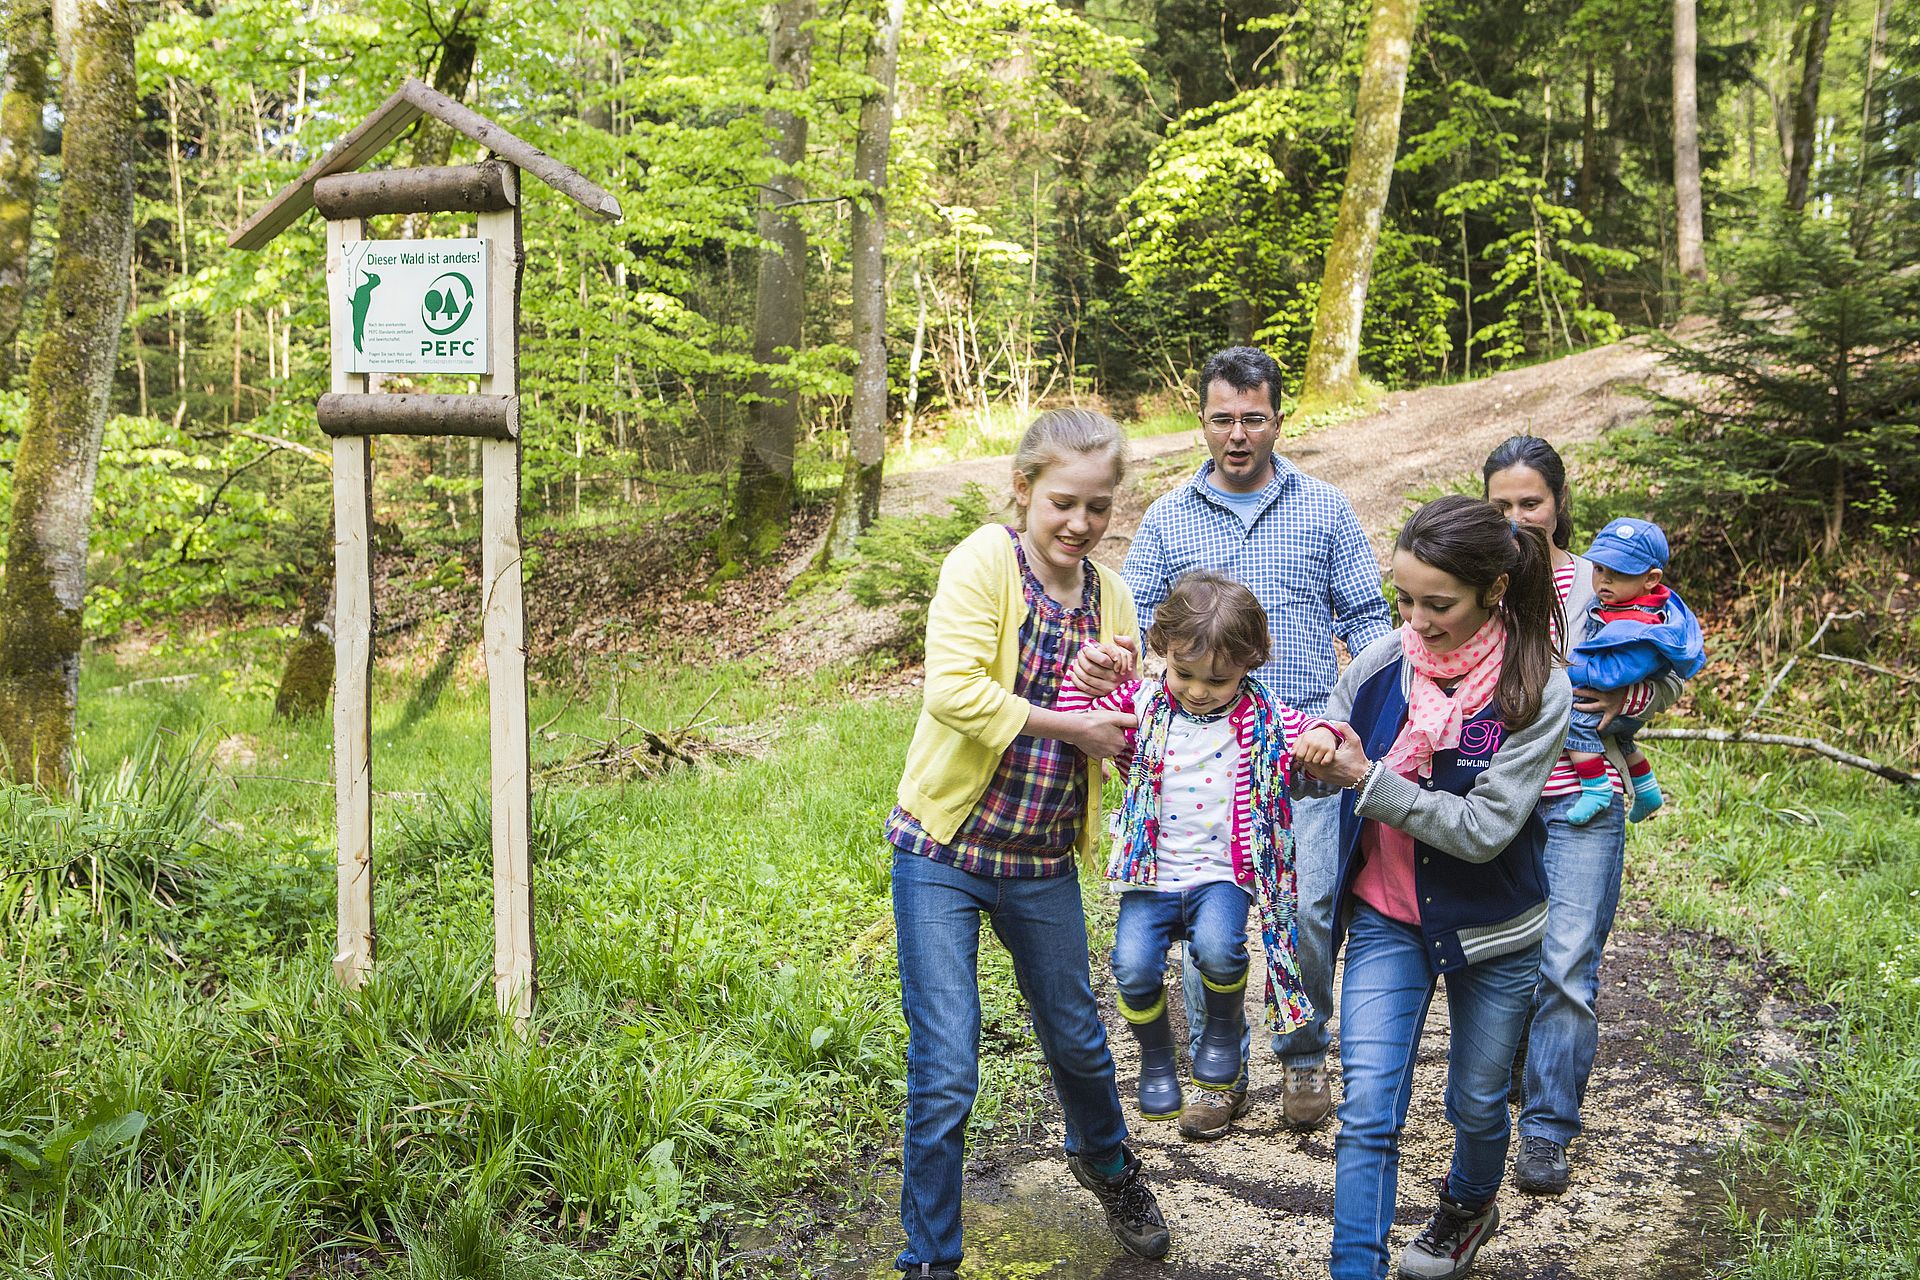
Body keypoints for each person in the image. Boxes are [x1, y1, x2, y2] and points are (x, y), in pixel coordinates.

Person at [885, 408, 1170, 1280]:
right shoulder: (985, 561)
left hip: (1042, 861)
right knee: (946, 1064)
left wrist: (1117, 702)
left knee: (1077, 1039)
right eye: (1062, 503)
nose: (1080, 523)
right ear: (1023, 489)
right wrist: (1072, 724)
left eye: (1098, 506)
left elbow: (1126, 732)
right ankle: (930, 1261)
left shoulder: (1113, 597)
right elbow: (953, 693)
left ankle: (1107, 1164)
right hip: (943, 853)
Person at [1081, 344, 1392, 1140]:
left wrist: (1363, 723)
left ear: (1279, 419)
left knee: (1309, 907)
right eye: (1223, 419)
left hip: (1298, 752)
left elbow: (1368, 621)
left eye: (1254, 418)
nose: (1238, 434)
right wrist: (1111, 672)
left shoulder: (1324, 509)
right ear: (1202, 422)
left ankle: (1303, 1053)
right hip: (1194, 755)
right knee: (1199, 915)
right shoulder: (1168, 519)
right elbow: (1130, 624)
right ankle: (1219, 1076)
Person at [1296, 494, 1571, 1280]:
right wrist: (1318, 747)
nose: (1416, 621)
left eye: (1437, 604)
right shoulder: (1384, 660)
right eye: (1404, 599)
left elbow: (1485, 830)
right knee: (1367, 1109)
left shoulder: (1537, 688)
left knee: (1476, 1103)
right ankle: (1355, 1267)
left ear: (1493, 588)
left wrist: (1368, 779)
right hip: (1387, 918)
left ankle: (1468, 1206)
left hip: (1494, 929)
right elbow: (1336, 734)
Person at [1482, 435, 1687, 1196]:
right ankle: (1510, 1063)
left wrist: (1629, 699)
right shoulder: (1476, 583)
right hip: (1498, 796)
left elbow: (1665, 671)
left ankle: (1546, 1128)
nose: (1516, 518)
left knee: (1568, 962)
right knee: (1503, 956)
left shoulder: (1598, 582)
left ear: (1559, 504)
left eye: (1530, 502)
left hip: (1583, 796)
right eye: (1500, 504)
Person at [1058, 570, 1318, 1125]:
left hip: (1220, 874)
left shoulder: (1266, 717)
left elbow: (1319, 733)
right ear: (1163, 653)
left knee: (1220, 950)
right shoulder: (1143, 704)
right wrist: (1096, 668)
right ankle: (1157, 1058)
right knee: (1131, 967)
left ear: (1250, 664)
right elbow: (1074, 711)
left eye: (1218, 680)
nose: (1199, 690)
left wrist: (1327, 739)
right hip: (1151, 874)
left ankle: (1221, 1033)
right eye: (1185, 673)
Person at [1561, 517, 1705, 825]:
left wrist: (1570, 669)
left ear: (1651, 578)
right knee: (1622, 740)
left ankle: (1596, 788)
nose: (1604, 581)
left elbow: (1616, 673)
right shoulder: (1623, 605)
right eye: (1599, 569)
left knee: (1573, 724)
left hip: (1615, 697)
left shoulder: (1643, 625)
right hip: (1620, 706)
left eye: (1619, 573)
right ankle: (1647, 789)